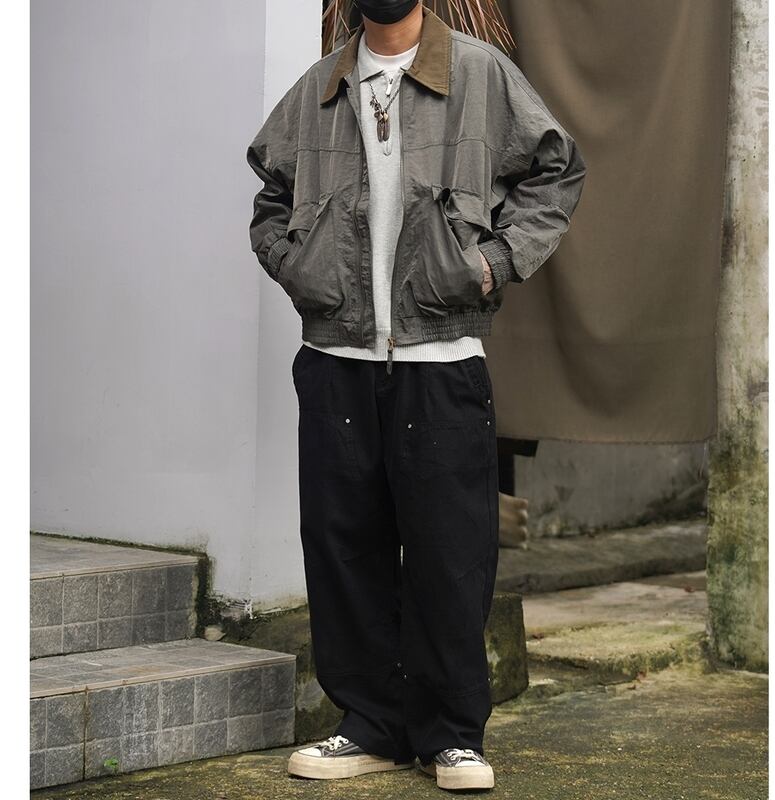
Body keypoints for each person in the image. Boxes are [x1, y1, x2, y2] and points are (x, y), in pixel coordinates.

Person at [246, 0, 586, 791]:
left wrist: (493, 261)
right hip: (335, 357)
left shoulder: (479, 73)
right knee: (343, 547)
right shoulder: (320, 86)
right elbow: (270, 199)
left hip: (442, 358)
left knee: (449, 553)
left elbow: (556, 170)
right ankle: (370, 725)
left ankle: (451, 735)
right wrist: (297, 266)